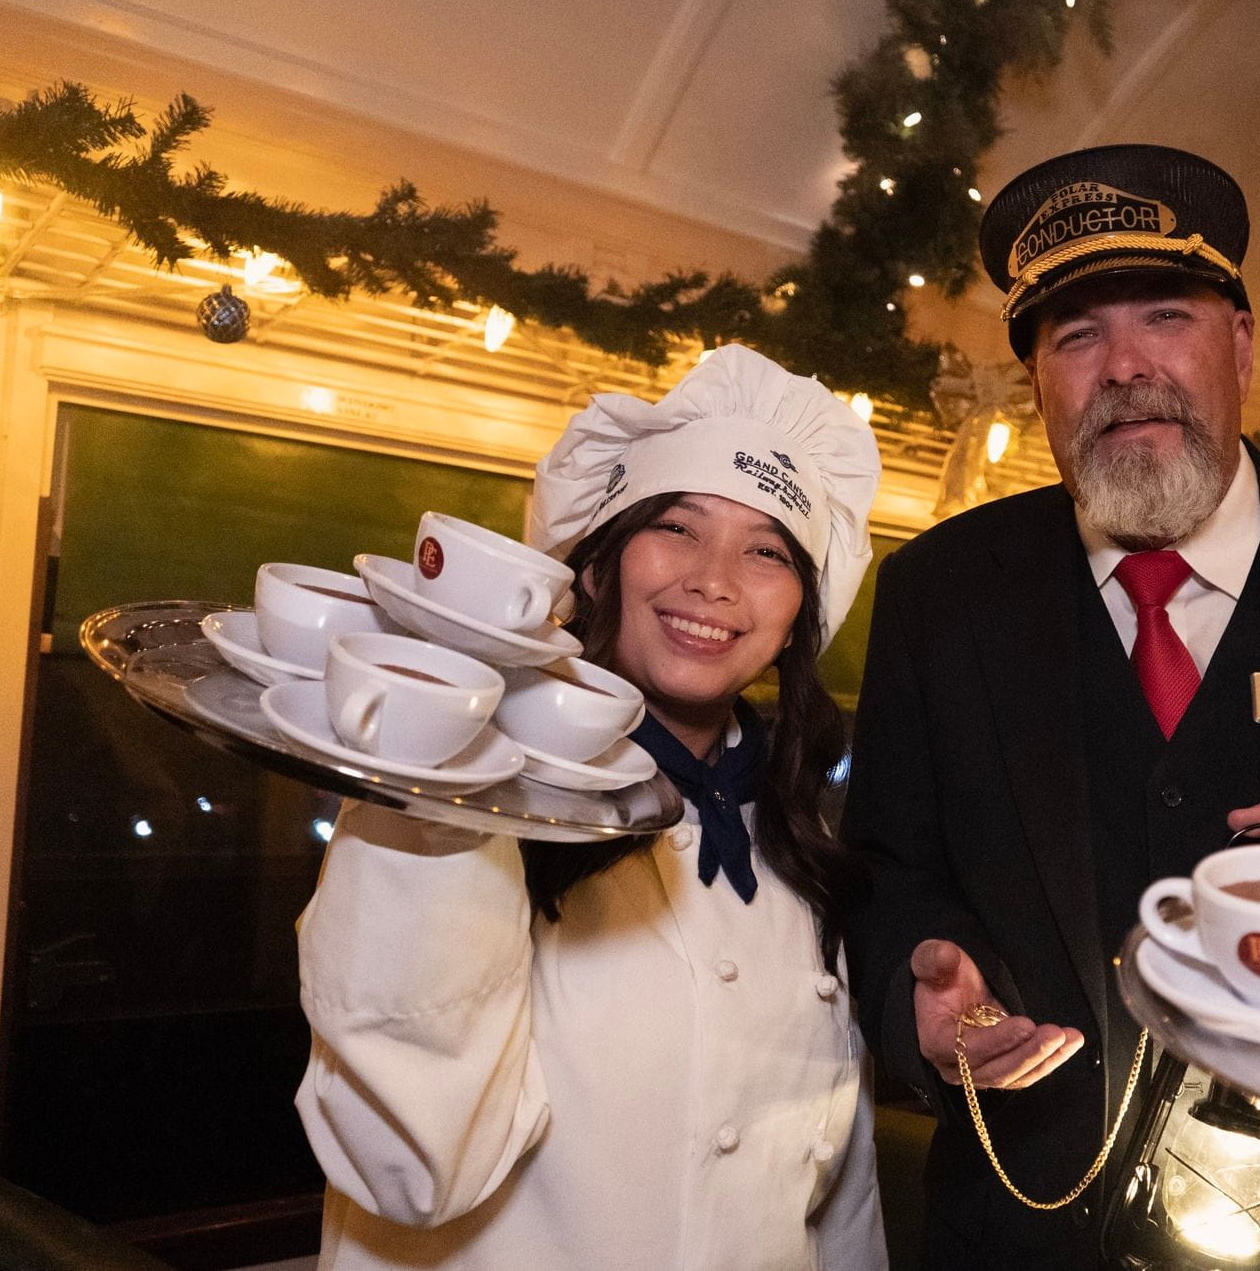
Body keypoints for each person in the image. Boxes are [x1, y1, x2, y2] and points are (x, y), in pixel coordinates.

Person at [841, 144, 1260, 1266]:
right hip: (1034, 1219)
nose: (1122, 367)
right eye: (1074, 337)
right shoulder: (941, 592)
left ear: (1239, 347)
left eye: (1164, 316)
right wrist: (925, 991)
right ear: (1038, 383)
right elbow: (886, 873)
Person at [294, 345, 888, 1269]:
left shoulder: (802, 842)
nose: (715, 580)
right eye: (678, 529)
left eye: (767, 549)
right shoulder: (464, 803)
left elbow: (837, 1208)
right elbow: (412, 1170)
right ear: (599, 565)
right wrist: (430, 789)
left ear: (798, 614)